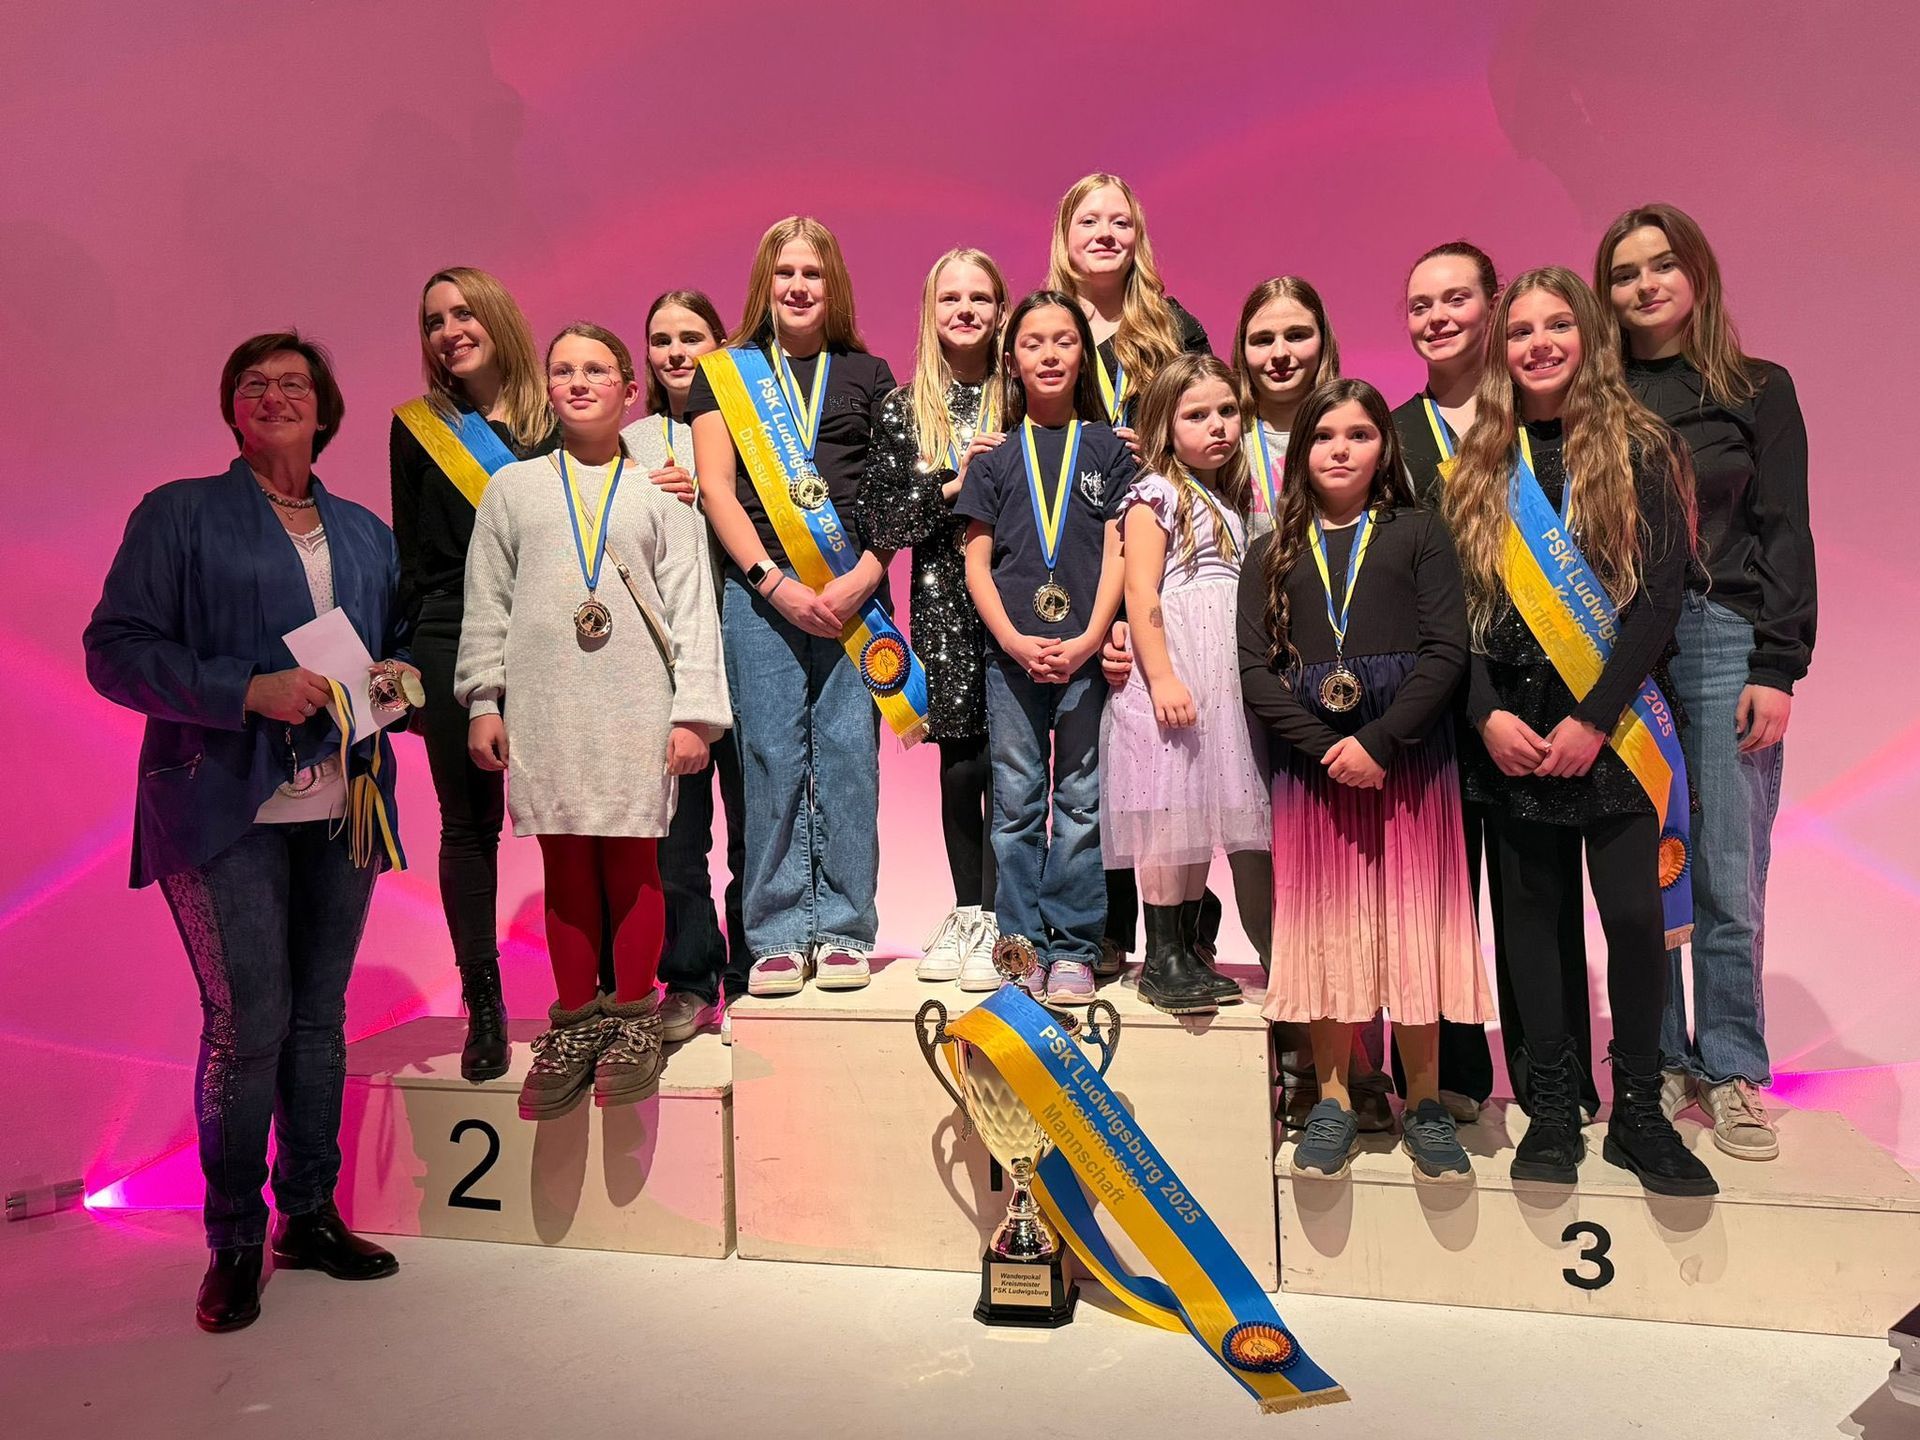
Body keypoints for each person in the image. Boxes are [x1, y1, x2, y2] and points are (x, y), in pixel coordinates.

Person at [85, 332, 411, 1333]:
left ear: (326, 410)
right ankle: (233, 1240)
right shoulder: (180, 513)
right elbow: (114, 651)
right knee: (248, 1024)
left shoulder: (365, 532)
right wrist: (245, 689)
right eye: (253, 384)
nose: (274, 396)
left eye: (294, 384)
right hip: (224, 807)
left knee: (319, 1021)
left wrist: (404, 678)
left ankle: (307, 1215)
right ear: (232, 409)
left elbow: (398, 644)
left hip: (346, 806)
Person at [1443, 267, 1715, 1197]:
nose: (1539, 344)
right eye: (1521, 331)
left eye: (1558, 325)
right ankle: (1552, 1109)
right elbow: (1458, 612)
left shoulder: (1643, 448)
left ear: (1589, 337)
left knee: (1634, 918)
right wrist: (1485, 712)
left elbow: (1659, 599)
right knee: (1531, 922)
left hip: (1615, 728)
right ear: (1501, 350)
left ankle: (1639, 1112)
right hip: (1514, 733)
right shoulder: (1479, 464)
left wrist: (1595, 720)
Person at [455, 323, 731, 1120]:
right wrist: (483, 699)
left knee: (635, 859)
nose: (579, 383)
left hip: (637, 700)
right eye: (564, 370)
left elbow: (692, 609)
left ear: (628, 390)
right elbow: (487, 602)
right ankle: (576, 1023)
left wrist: (695, 715)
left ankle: (634, 1018)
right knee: (566, 860)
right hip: (545, 703)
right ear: (548, 388)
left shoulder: (663, 492)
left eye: (597, 370)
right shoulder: (512, 489)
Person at [1598, 203, 1814, 1161]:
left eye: (1662, 266)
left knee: (1726, 864)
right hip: (1624, 648)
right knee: (1641, 868)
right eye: (1625, 273)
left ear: (1697, 275)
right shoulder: (1598, 401)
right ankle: (1657, 1060)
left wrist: (1777, 663)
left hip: (1727, 637)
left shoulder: (1759, 388)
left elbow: (1785, 530)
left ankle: (1731, 1069)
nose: (1645, 285)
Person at [1242, 378, 1492, 1183]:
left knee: (1413, 924)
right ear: (1300, 453)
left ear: (1385, 447)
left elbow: (1445, 653)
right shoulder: (1270, 551)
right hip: (1315, 772)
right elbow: (1255, 673)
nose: (1340, 450)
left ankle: (1424, 1101)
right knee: (1326, 931)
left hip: (1409, 759)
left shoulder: (1420, 533)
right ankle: (1334, 1098)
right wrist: (1329, 749)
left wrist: (1379, 743)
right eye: (1323, 436)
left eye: (1359, 434)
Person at [687, 217, 901, 997]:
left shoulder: (869, 374)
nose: (799, 287)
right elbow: (717, 488)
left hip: (853, 595)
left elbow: (892, 490)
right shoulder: (723, 374)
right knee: (771, 758)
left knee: (847, 760)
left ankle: (843, 929)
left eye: (813, 273)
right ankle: (777, 933)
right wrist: (771, 581)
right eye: (786, 273)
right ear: (765, 284)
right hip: (760, 597)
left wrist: (866, 574)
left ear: (833, 284)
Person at [1389, 242, 1567, 1125]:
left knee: (1535, 893)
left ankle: (1550, 1081)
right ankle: (1449, 1075)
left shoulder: (1539, 418)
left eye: (1456, 298)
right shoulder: (1392, 434)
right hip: (1437, 698)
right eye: (1421, 305)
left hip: (1535, 695)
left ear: (1493, 305)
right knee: (1439, 896)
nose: (1438, 318)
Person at [1047, 170, 1218, 975]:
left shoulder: (1176, 327)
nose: (1105, 234)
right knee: (1091, 750)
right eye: (1090, 221)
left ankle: (1181, 926)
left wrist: (1157, 445)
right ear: (1065, 236)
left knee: (1157, 740)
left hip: (1157, 544)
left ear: (1137, 237)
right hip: (1069, 545)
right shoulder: (1044, 324)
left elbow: (1213, 425)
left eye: (1120, 221)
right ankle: (1101, 924)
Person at [391, 266, 556, 1083]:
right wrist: (407, 668)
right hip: (452, 634)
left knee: (576, 820)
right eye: (433, 321)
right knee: (467, 826)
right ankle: (483, 1003)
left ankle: (595, 993)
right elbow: (413, 556)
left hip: (555, 633)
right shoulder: (418, 428)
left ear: (496, 316)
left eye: (462, 313)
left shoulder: (557, 415)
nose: (449, 331)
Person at [958, 290, 1132, 1006]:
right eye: (1033, 343)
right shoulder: (995, 458)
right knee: (1017, 804)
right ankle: (1021, 947)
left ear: (1083, 355)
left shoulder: (1108, 449)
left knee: (1082, 802)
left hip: (1084, 658)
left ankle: (1074, 949)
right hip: (1011, 659)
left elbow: (1121, 551)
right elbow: (976, 563)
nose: (1050, 354)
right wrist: (1010, 638)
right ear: (1011, 360)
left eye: (1065, 340)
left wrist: (1090, 637)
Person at [1100, 354, 1271, 1014]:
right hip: (1172, 672)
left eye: (1227, 411)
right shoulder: (1155, 494)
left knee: (1198, 814)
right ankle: (1162, 955)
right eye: (1197, 415)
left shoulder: (1226, 499)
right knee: (1168, 814)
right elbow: (1142, 590)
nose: (1217, 425)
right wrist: (1164, 675)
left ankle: (1186, 950)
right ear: (1165, 428)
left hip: (1216, 677)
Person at [863, 248, 1010, 989]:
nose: (965, 310)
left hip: (1017, 591)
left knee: (1014, 762)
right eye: (951, 297)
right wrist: (954, 486)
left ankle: (1006, 916)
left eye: (980, 297)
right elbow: (883, 517)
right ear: (930, 310)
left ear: (1001, 309)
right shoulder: (902, 407)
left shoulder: (1024, 395)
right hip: (944, 599)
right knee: (960, 760)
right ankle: (969, 912)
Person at [625, 289, 749, 1045]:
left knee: (757, 829)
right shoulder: (630, 441)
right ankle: (693, 978)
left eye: (691, 336)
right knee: (677, 838)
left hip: (748, 649)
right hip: (667, 666)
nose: (676, 352)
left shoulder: (750, 429)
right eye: (662, 338)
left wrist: (708, 497)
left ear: (720, 344)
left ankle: (754, 971)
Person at [1230, 276, 1340, 538]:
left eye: (1296, 336)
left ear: (1323, 342)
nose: (1280, 353)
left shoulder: (1358, 434)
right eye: (1263, 340)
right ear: (1242, 350)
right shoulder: (1223, 438)